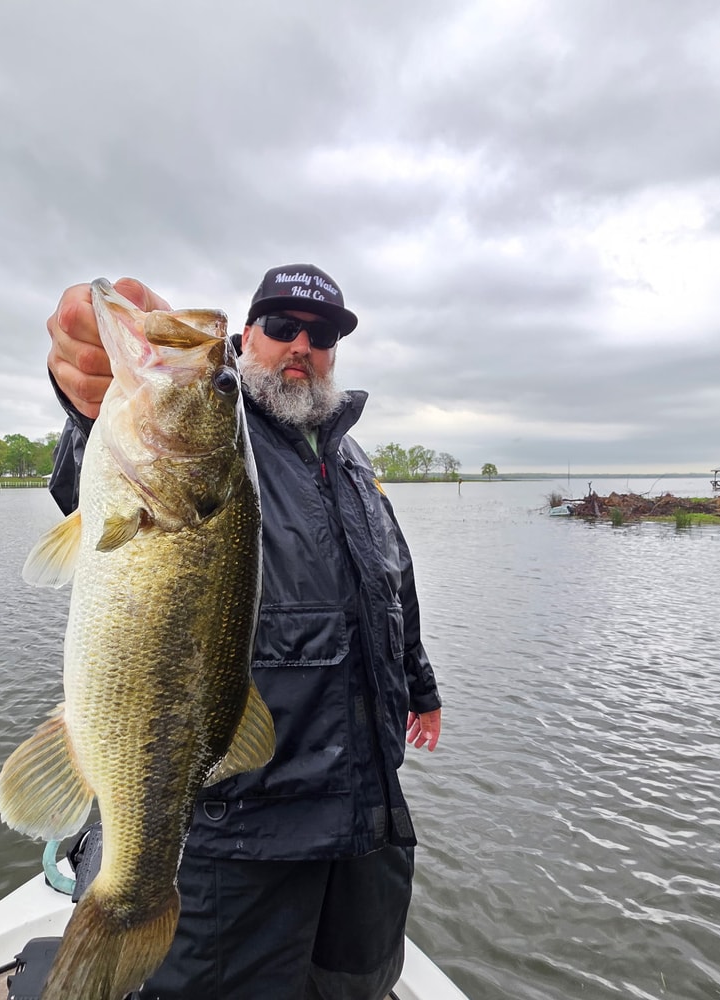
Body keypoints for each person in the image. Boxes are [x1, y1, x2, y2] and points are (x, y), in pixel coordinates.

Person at [45, 263, 443, 1000]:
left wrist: (421, 685)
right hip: (240, 838)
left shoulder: (351, 462)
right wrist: (86, 397)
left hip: (367, 821)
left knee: (355, 988)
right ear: (245, 338)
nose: (302, 344)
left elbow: (394, 584)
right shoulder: (222, 444)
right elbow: (90, 470)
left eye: (321, 335)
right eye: (282, 326)